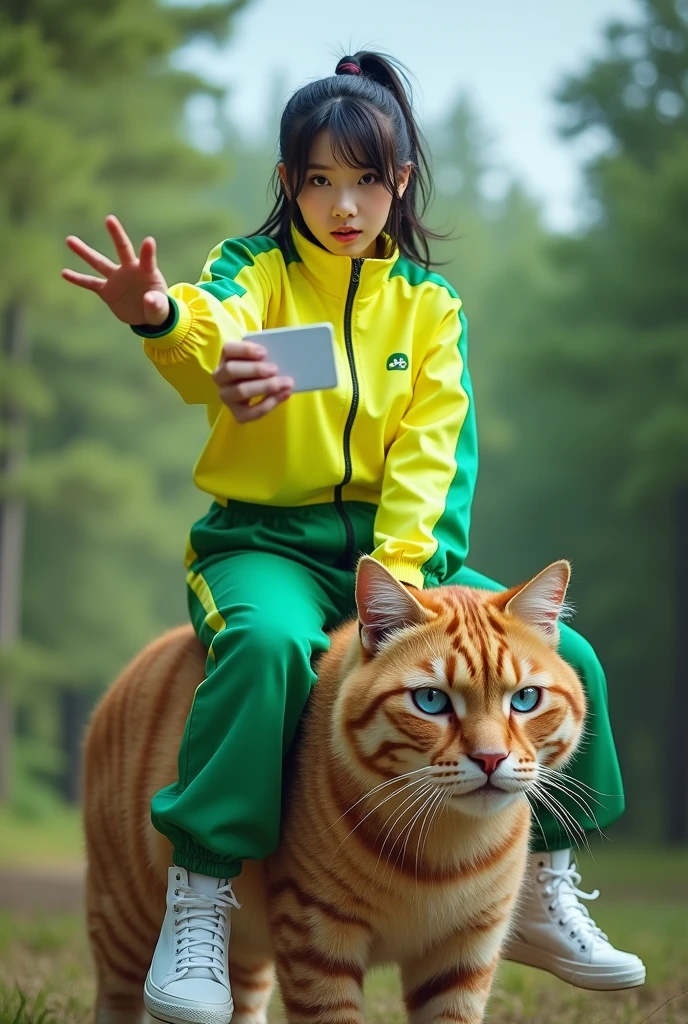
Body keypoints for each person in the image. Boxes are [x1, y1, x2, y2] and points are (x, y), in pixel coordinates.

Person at [62, 50, 645, 1024]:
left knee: (566, 651)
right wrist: (163, 318)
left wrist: (406, 589)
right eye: (320, 180)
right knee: (265, 645)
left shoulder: (427, 306)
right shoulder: (255, 276)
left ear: (399, 182)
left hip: (406, 559)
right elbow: (218, 340)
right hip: (265, 543)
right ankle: (201, 895)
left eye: (366, 180)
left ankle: (544, 884)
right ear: (288, 182)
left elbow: (432, 452)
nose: (344, 204)